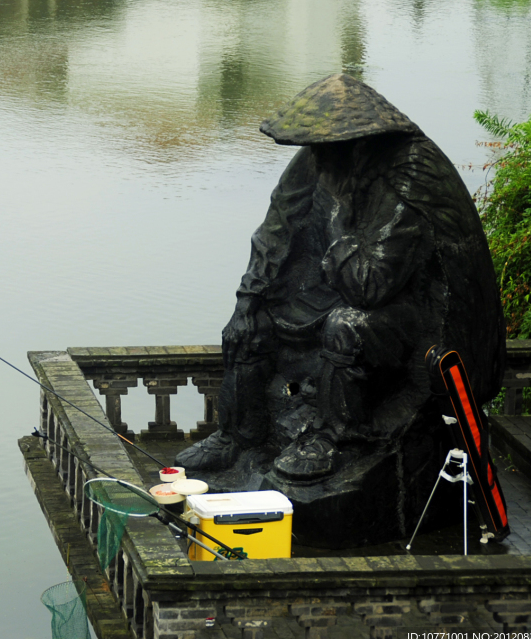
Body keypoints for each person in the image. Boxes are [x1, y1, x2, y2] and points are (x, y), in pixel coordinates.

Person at [177, 74, 505, 480]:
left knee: (345, 326)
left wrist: (339, 215)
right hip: (342, 285)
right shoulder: (322, 159)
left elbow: (371, 287)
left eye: (326, 149)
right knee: (253, 322)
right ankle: (239, 435)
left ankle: (337, 437)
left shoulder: (407, 176)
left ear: (357, 144)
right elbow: (276, 227)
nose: (316, 159)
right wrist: (249, 299)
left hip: (406, 314)